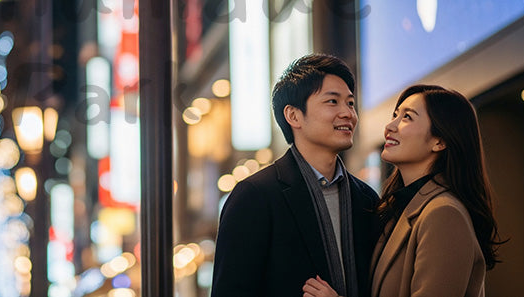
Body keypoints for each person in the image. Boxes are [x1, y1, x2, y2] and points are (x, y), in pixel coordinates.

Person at [302, 84, 502, 297]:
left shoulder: (444, 213)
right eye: (395, 115)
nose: (390, 126)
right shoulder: (400, 207)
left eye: (407, 117)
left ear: (439, 141)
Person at [211, 54, 379, 297]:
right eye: (332, 102)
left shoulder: (366, 200)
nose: (348, 114)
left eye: (350, 103)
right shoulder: (255, 197)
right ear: (293, 115)